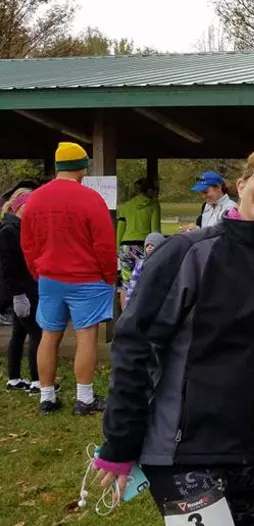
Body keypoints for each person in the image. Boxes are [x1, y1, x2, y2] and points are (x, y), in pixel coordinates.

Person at [93, 142, 254, 526]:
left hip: (250, 446)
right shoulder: (187, 252)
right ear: (242, 184)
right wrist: (119, 441)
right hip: (181, 447)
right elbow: (135, 345)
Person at [21, 143, 117, 416]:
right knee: (86, 337)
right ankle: (84, 398)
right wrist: (108, 276)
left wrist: (38, 273)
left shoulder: (35, 199)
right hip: (87, 278)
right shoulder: (90, 198)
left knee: (48, 337)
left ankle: (47, 397)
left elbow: (27, 243)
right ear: (82, 167)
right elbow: (104, 244)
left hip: (49, 277)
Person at [0, 189, 41, 392]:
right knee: (37, 334)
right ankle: (37, 381)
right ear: (20, 207)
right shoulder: (9, 230)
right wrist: (17, 294)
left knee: (18, 332)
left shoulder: (20, 227)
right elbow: (9, 266)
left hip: (25, 288)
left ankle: (14, 378)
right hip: (21, 290)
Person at [116, 177, 162, 308]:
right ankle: (139, 313)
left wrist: (117, 248)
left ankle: (124, 316)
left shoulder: (125, 206)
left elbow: (120, 229)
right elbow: (155, 231)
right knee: (143, 280)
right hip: (143, 245)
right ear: (150, 190)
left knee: (125, 283)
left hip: (125, 246)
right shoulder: (153, 205)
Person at [122, 232, 166, 306]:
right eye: (147, 245)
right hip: (142, 300)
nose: (149, 247)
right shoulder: (140, 264)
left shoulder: (165, 264)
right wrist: (128, 304)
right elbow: (132, 284)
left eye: (153, 245)